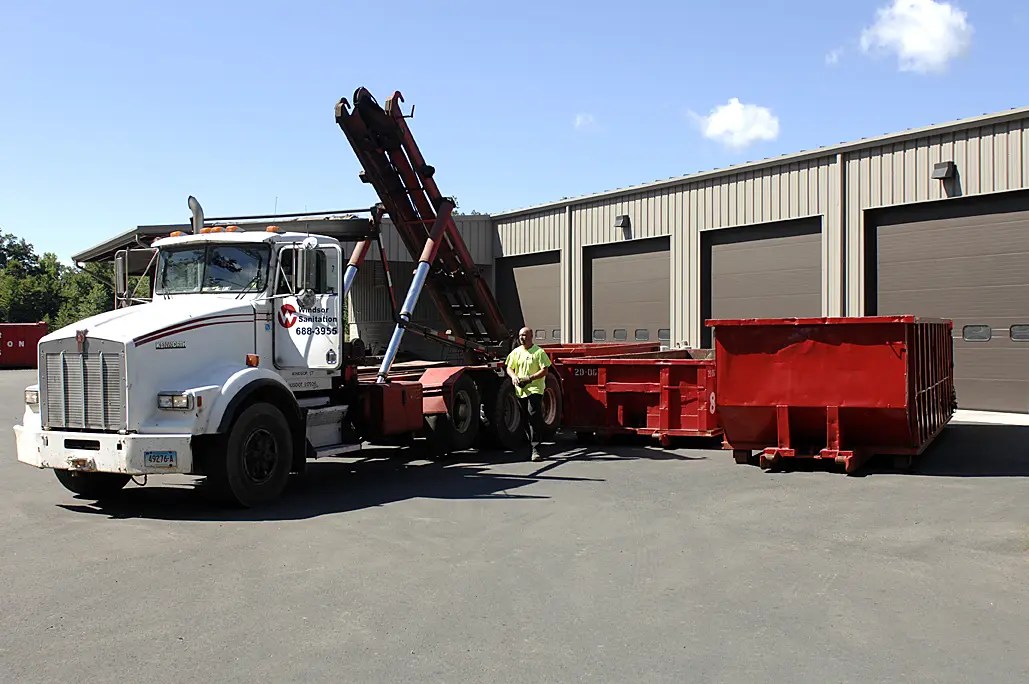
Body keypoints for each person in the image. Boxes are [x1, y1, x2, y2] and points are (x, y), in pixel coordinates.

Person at [505, 327, 552, 461]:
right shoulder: (516, 352)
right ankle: (529, 442)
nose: (522, 338)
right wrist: (514, 377)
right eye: (520, 335)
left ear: (531, 336)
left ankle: (536, 448)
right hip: (521, 390)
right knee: (525, 417)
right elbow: (509, 367)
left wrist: (530, 378)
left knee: (533, 416)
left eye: (525, 335)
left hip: (535, 389)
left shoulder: (539, 352)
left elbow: (545, 370)